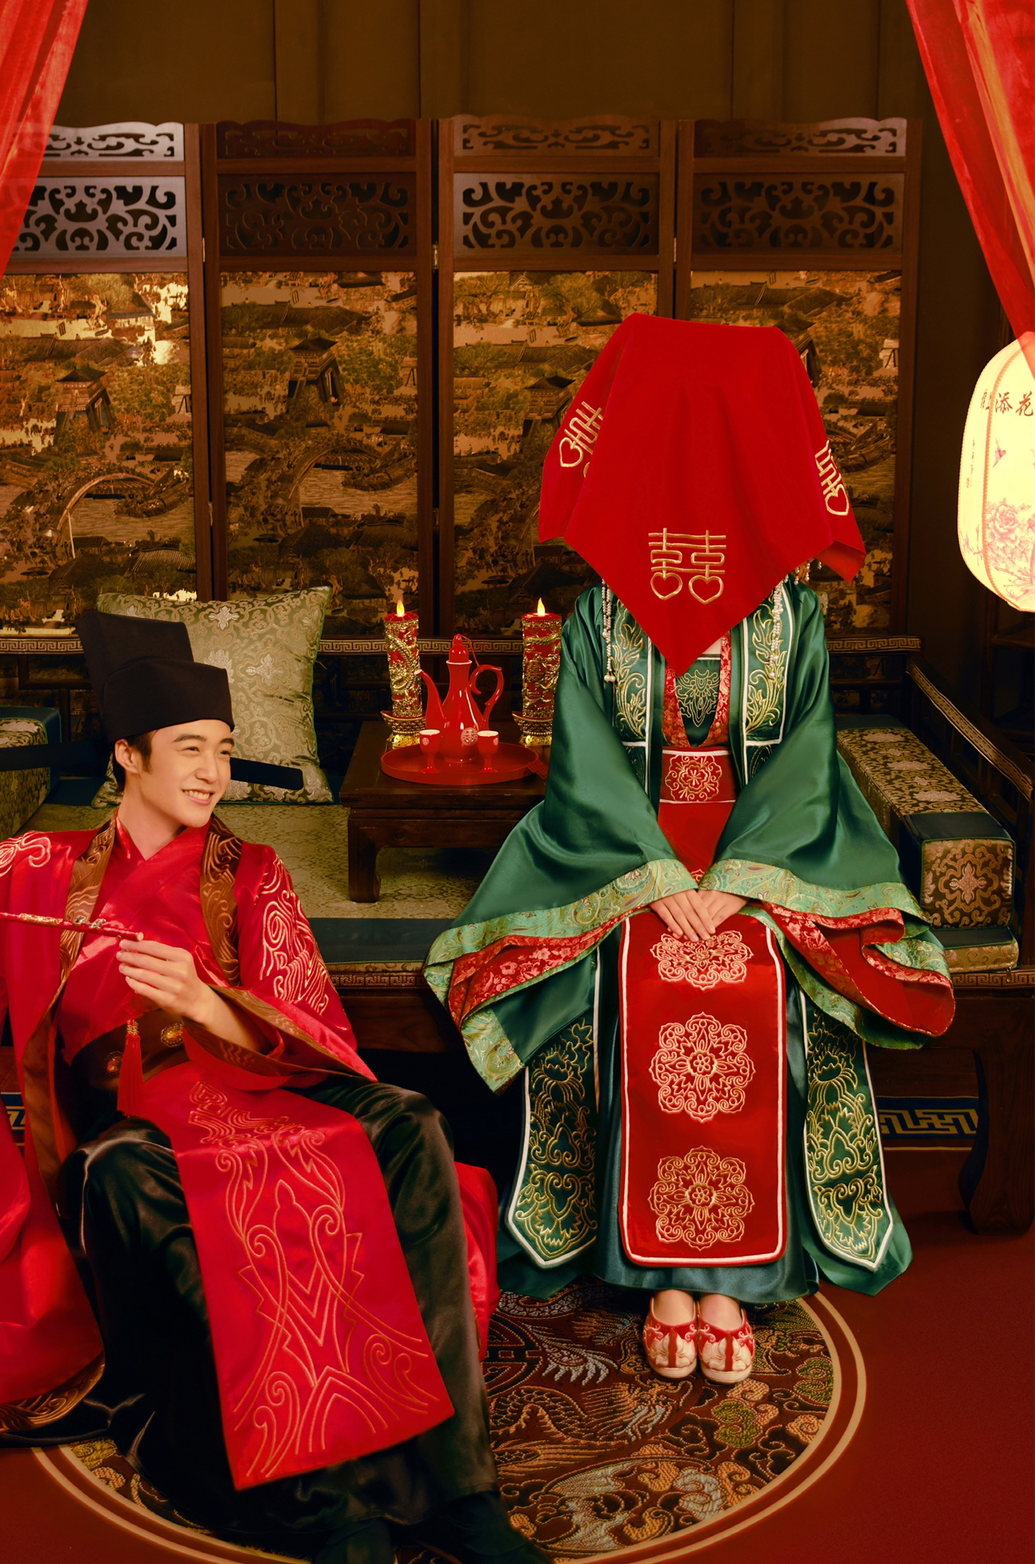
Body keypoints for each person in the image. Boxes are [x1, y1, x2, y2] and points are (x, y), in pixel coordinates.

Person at [0, 612, 547, 1564]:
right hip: (136, 1129)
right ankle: (317, 1505)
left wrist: (205, 1001)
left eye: (223, 751)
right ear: (127, 756)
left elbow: (318, 1033)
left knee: (410, 1121)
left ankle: (460, 1489)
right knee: (117, 1177)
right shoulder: (34, 872)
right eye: (189, 749)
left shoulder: (252, 874)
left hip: (264, 1089)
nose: (212, 772)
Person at [425, 315, 955, 1385]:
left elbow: (805, 764)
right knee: (636, 972)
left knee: (759, 972)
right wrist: (656, 877)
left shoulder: (792, 617)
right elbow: (583, 765)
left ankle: (733, 1279)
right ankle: (663, 1274)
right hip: (618, 853)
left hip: (769, 852)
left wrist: (742, 883)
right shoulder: (601, 616)